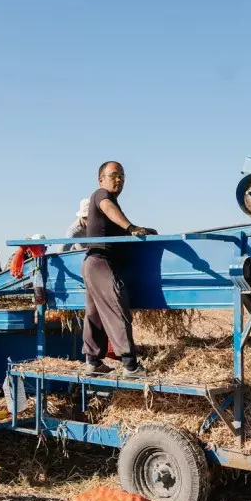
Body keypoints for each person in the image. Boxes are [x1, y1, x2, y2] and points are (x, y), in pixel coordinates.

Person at [82, 161, 156, 377]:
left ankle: (93, 362)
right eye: (114, 175)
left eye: (122, 177)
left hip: (92, 264)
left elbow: (116, 225)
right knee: (117, 308)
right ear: (101, 179)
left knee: (94, 314)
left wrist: (140, 230)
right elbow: (108, 208)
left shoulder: (112, 206)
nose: (119, 180)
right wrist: (131, 227)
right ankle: (131, 365)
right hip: (100, 261)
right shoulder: (101, 195)